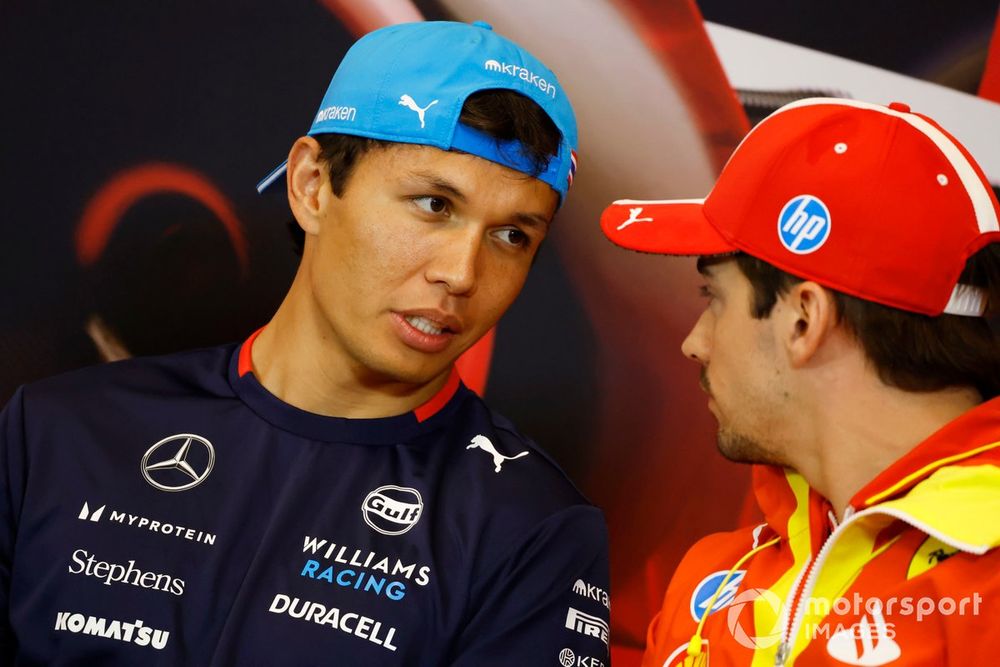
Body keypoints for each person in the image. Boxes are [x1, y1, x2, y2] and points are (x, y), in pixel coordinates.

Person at [0, 21, 611, 666]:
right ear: (312, 185)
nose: (462, 274)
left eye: (513, 236)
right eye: (434, 205)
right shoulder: (56, 431)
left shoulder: (532, 531)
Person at [601, 98, 999, 666]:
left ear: (803, 321)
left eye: (713, 297)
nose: (695, 342)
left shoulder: (986, 592)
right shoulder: (712, 581)